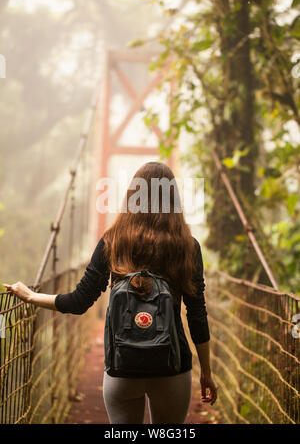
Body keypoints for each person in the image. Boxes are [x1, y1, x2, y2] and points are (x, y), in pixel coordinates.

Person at [4, 161, 217, 424]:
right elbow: (197, 315)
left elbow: (79, 301)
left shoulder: (112, 240)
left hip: (122, 366)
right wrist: (206, 372)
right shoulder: (187, 246)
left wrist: (30, 296)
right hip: (172, 367)